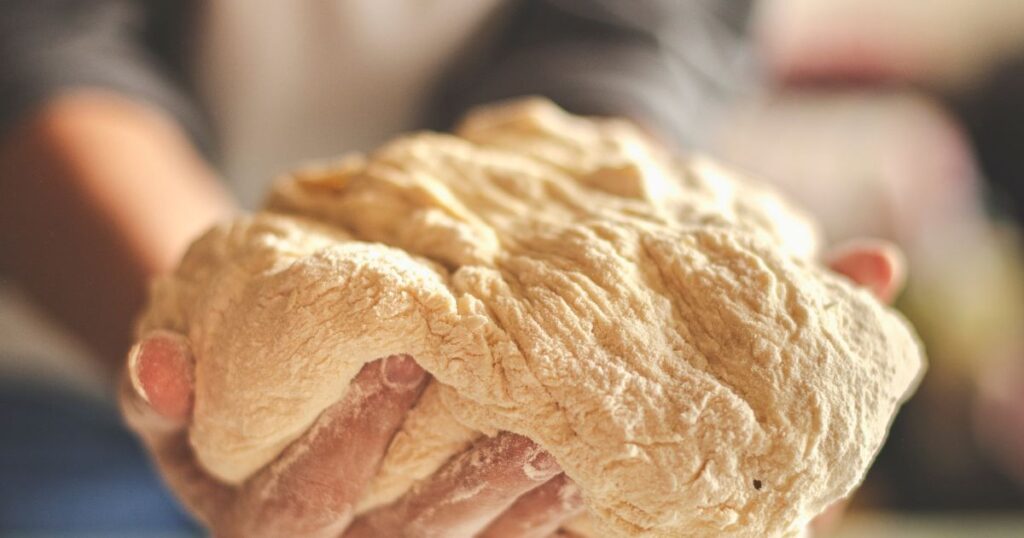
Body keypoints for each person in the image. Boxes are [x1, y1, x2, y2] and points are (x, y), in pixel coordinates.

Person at [0, 0, 903, 535]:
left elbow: (630, 29)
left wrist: (624, 279)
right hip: (69, 355)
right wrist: (215, 344)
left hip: (482, 366)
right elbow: (42, 43)